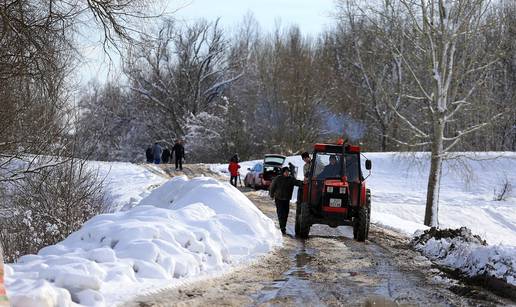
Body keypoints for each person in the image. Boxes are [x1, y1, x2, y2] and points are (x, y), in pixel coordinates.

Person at [269, 167, 302, 234]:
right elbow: (272, 187)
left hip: (286, 199)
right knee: (281, 213)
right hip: (278, 198)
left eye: (288, 172)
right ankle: (282, 228)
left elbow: (297, 182)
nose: (287, 173)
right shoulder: (278, 178)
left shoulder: (291, 179)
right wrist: (271, 194)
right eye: (286, 172)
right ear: (283, 172)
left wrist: (304, 183)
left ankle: (283, 226)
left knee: (286, 214)